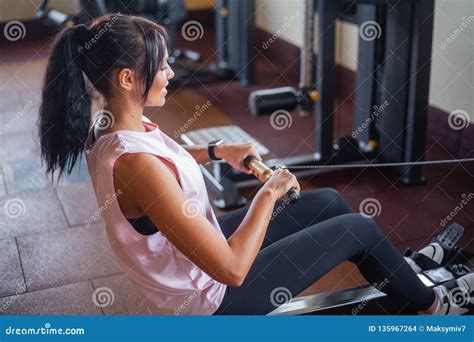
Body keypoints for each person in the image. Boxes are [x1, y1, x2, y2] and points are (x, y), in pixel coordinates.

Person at [38, 14, 472, 315]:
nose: (170, 71)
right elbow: (232, 269)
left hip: (188, 263)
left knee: (328, 203)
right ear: (127, 78)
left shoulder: (114, 128)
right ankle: (434, 307)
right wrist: (268, 192)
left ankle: (406, 272)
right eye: (162, 64)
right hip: (211, 303)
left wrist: (214, 153)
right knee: (357, 228)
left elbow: (161, 164)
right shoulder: (134, 163)